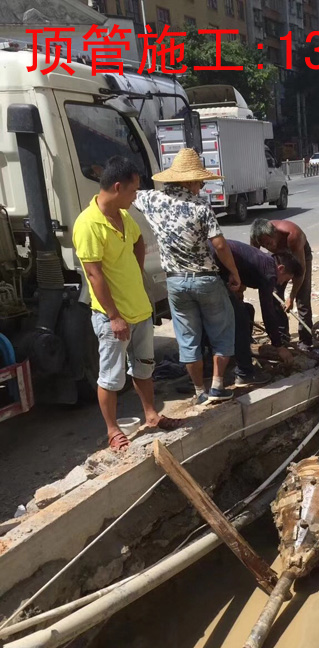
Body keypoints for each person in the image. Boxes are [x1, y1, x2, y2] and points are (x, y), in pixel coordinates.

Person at [72, 157, 182, 452]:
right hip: (114, 317)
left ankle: (151, 415)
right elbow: (94, 275)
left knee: (144, 367)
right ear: (118, 187)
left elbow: (138, 242)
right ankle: (113, 431)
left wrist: (135, 271)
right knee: (111, 376)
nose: (136, 196)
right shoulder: (87, 225)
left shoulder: (124, 216)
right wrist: (114, 316)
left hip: (140, 310)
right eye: (134, 191)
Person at [133, 149, 241, 405]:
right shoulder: (200, 206)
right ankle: (217, 385)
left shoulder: (151, 200)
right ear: (189, 181)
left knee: (187, 339)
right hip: (205, 279)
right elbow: (221, 245)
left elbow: (128, 197)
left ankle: (198, 392)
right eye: (200, 182)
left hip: (175, 282)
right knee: (222, 332)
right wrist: (234, 272)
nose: (201, 187)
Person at [210, 240, 301, 383]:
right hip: (212, 272)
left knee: (242, 311)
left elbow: (241, 266)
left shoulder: (262, 260)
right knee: (241, 321)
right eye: (286, 279)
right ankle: (244, 372)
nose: (282, 283)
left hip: (203, 268)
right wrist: (278, 346)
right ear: (281, 268)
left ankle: (226, 358)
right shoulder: (269, 272)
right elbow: (267, 311)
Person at [250, 218, 314, 349]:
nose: (268, 247)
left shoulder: (293, 235)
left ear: (274, 234)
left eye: (269, 242)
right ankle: (282, 335)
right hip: (278, 257)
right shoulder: (257, 237)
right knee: (274, 295)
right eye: (264, 245)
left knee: (302, 298)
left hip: (298, 255)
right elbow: (253, 259)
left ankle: (305, 341)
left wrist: (291, 296)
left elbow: (300, 272)